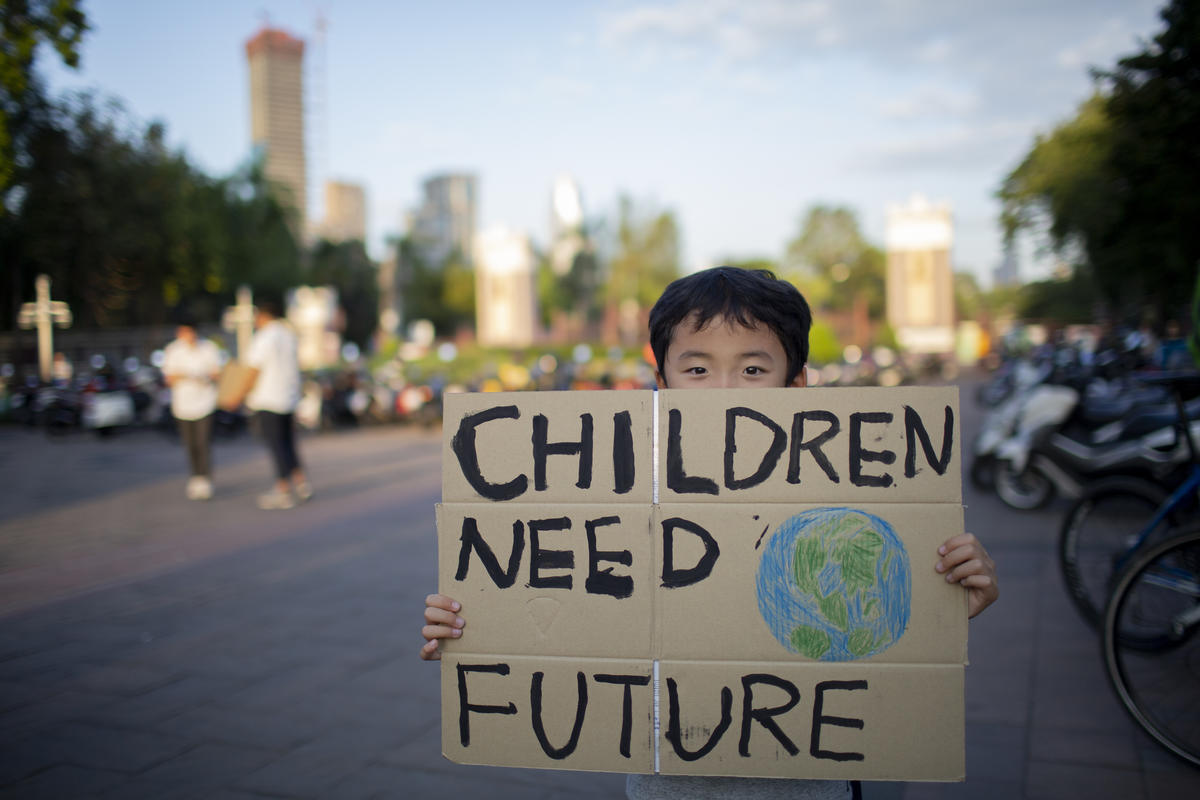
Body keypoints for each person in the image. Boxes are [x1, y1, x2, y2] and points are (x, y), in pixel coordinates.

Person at [421, 266, 999, 799]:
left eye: (752, 369)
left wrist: (939, 603)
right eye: (697, 369)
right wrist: (478, 628)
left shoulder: (843, 501)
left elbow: (872, 620)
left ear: (796, 385)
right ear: (661, 383)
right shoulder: (621, 492)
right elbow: (567, 601)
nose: (724, 392)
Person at [223, 296, 313, 510]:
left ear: (263, 315)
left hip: (269, 399)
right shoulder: (289, 335)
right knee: (288, 443)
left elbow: (253, 370)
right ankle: (301, 484)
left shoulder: (264, 338)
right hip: (288, 398)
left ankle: (283, 490)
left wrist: (237, 396)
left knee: (277, 445)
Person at [162, 316, 221, 500]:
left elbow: (217, 372)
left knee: (203, 443)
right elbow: (169, 378)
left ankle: (206, 479)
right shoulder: (173, 350)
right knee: (190, 444)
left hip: (205, 403)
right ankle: (195, 478)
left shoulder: (208, 348)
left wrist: (200, 376)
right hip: (183, 405)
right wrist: (189, 376)